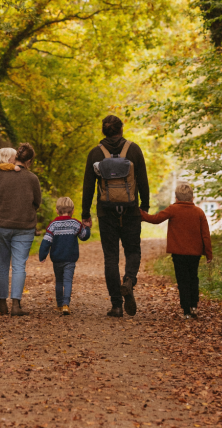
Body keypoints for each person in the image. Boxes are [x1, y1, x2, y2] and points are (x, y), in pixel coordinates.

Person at [81, 115, 150, 317]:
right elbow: (143, 180)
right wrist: (144, 206)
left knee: (110, 257)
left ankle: (116, 305)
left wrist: (86, 213)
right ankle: (128, 280)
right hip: (130, 210)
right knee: (133, 250)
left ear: (104, 131)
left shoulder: (96, 153)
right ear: (121, 129)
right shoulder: (134, 150)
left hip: (106, 211)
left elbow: (88, 186)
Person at [140, 182, 213, 319]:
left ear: (176, 198)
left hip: (178, 253)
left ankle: (186, 311)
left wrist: (140, 214)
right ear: (192, 198)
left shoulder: (173, 209)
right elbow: (205, 235)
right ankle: (194, 306)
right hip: (194, 254)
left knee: (182, 280)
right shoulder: (199, 212)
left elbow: (156, 219)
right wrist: (208, 253)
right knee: (193, 278)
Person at [0, 143, 41, 316]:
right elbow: (37, 202)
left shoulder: (0, 174)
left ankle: (2, 302)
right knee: (19, 266)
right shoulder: (32, 179)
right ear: (29, 161)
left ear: (17, 157)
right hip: (24, 227)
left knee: (1, 266)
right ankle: (16, 305)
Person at [38, 197, 91, 315]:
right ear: (72, 210)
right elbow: (84, 236)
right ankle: (66, 304)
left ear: (57, 210)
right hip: (70, 259)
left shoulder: (53, 225)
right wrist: (87, 228)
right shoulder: (75, 224)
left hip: (57, 259)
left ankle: (59, 305)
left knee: (59, 281)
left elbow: (46, 241)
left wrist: (42, 255)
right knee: (68, 281)